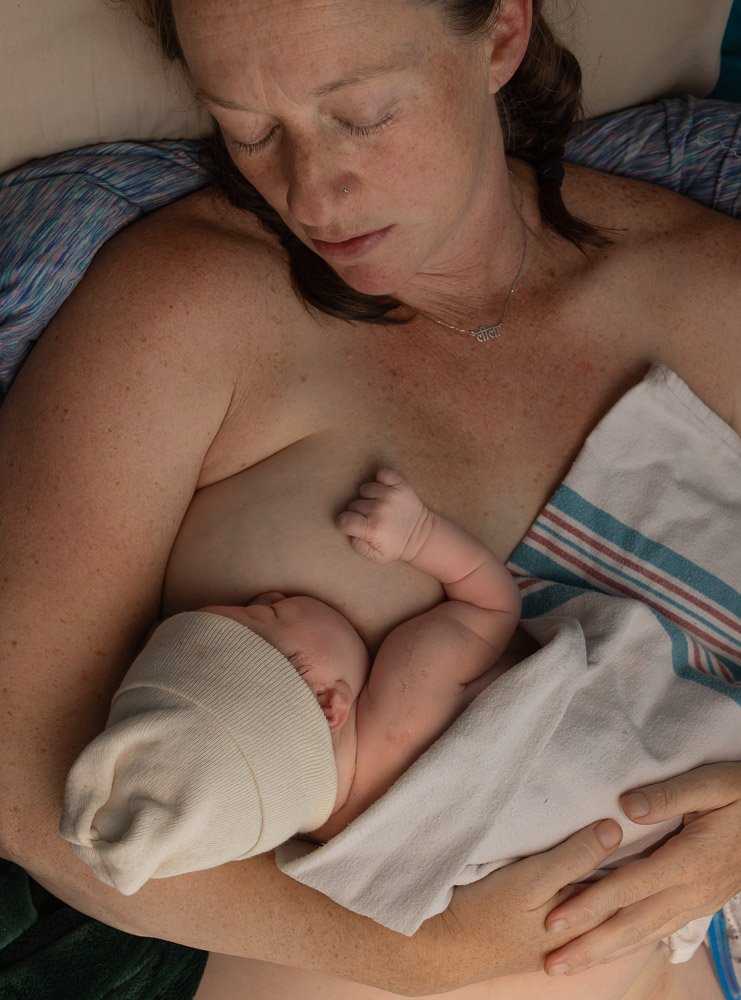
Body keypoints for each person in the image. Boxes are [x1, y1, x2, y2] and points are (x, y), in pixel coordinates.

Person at [0, 0, 738, 998]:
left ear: (502, 35)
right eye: (250, 129)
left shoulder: (702, 295)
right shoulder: (193, 310)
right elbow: (21, 782)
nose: (312, 193)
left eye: (359, 114)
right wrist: (422, 952)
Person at [60, 467, 522, 894]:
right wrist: (419, 534)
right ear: (327, 705)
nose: (270, 593)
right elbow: (494, 605)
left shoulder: (325, 850)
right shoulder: (409, 690)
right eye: (266, 612)